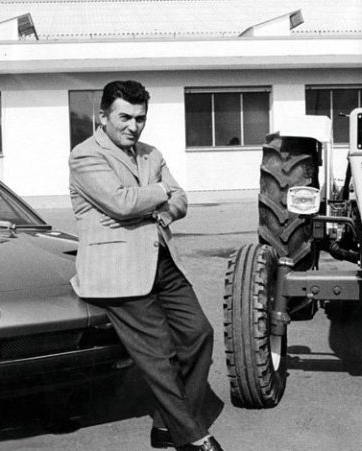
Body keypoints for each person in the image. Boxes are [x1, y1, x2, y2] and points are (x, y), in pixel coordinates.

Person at [68, 80, 223, 451]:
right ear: (103, 116)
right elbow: (121, 202)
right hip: (117, 270)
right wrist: (161, 192)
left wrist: (163, 208)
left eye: (140, 118)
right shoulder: (85, 155)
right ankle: (192, 436)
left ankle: (166, 425)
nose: (133, 126)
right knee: (161, 354)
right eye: (124, 117)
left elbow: (181, 199)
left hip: (161, 260)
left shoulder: (151, 154)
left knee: (199, 334)